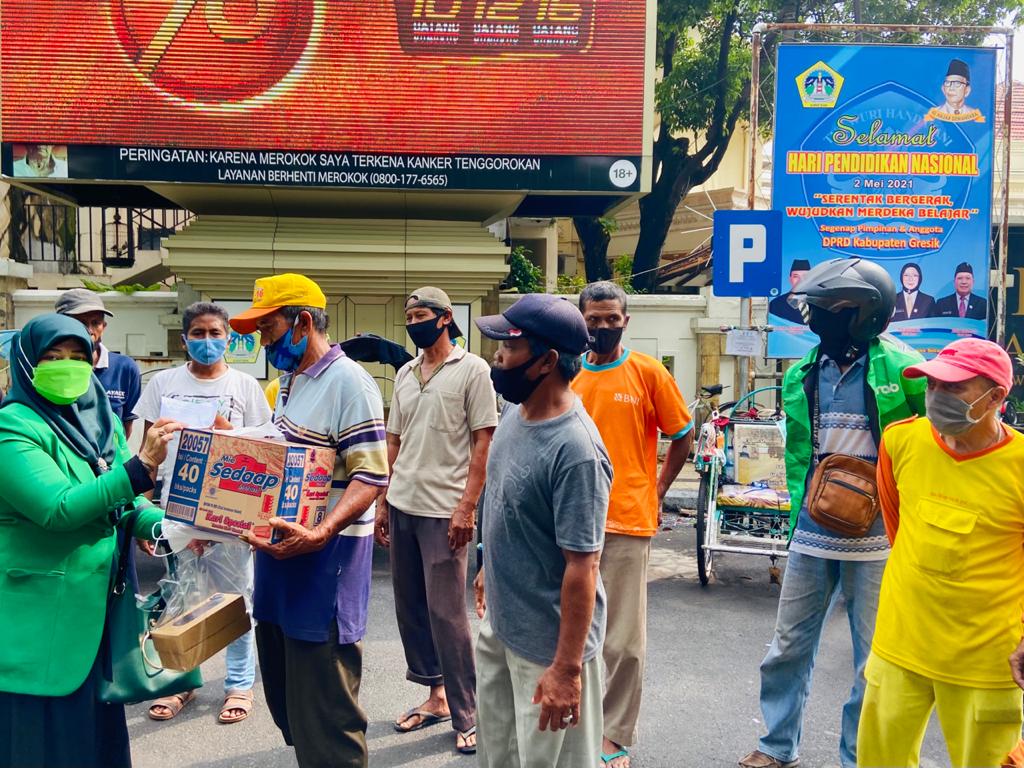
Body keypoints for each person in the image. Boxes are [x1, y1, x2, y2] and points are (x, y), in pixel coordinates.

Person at [738, 258, 927, 768]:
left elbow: (930, 443)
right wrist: (795, 515)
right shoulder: (803, 372)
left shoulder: (904, 368)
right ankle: (776, 746)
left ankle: (860, 756)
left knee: (874, 660)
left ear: (865, 313)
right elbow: (801, 454)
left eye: (828, 309)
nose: (816, 317)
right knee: (787, 645)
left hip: (880, 537)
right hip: (812, 530)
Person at [0, 313, 181, 768]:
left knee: (97, 747)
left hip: (99, 618)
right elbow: (58, 508)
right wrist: (138, 469)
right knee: (44, 749)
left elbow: (123, 505)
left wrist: (179, 529)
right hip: (39, 629)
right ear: (26, 364)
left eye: (78, 357)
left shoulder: (99, 419)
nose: (68, 367)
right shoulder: (13, 428)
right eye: (53, 358)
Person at [229, 274, 388, 768]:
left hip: (325, 563)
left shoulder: (350, 383)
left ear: (302, 321)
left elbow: (371, 476)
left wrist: (322, 531)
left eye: (268, 328)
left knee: (326, 711)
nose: (262, 340)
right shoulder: (293, 380)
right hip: (280, 560)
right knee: (289, 703)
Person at [858, 339, 1024, 768]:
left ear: (996, 397)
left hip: (986, 657)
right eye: (932, 387)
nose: (937, 398)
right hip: (901, 641)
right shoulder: (900, 442)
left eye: (954, 389)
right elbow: (900, 529)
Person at [473, 293, 613, 768]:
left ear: (546, 361)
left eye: (508, 347)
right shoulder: (516, 412)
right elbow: (501, 497)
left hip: (551, 652)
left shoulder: (576, 451)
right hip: (504, 627)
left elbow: (583, 564)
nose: (497, 357)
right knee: (498, 758)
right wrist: (487, 565)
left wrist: (566, 671)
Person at [571, 281, 693, 768]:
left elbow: (681, 434)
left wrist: (656, 490)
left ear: (626, 320)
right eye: (593, 320)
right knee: (572, 633)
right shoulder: (565, 373)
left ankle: (616, 733)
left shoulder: (646, 373)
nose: (601, 328)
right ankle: (577, 724)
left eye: (610, 319)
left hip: (625, 520)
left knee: (622, 638)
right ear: (581, 321)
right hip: (570, 521)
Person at [133, 302, 272, 725]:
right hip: (176, 506)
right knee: (181, 595)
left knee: (236, 600)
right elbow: (145, 450)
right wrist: (144, 510)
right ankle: (181, 683)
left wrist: (224, 430)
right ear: (184, 339)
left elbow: (264, 450)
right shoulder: (164, 384)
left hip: (231, 513)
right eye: (199, 333)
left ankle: (238, 685)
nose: (207, 341)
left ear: (229, 338)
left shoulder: (245, 387)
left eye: (215, 333)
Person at [374, 287, 497, 755]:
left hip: (445, 511)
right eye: (408, 315)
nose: (413, 322)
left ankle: (468, 712)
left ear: (445, 318)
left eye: (420, 314)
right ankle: (437, 696)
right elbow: (394, 443)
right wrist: (384, 501)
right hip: (403, 503)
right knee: (412, 607)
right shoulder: (405, 372)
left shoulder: (474, 370)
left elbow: (483, 444)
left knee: (447, 613)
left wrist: (467, 508)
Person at [56, 289, 142, 438]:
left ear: (104, 326)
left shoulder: (125, 368)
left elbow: (125, 428)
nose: (89, 330)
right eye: (80, 323)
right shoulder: (49, 368)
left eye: (96, 323)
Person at [768, 260, 811, 325]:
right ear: (790, 279)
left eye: (805, 276)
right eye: (796, 276)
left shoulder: (821, 302)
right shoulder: (776, 304)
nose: (800, 280)